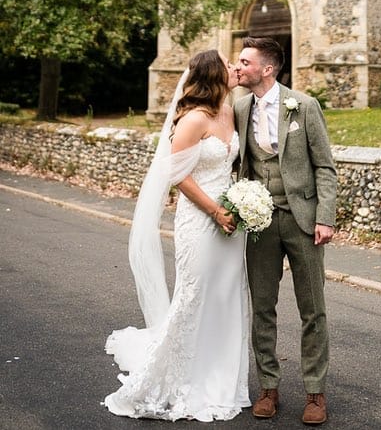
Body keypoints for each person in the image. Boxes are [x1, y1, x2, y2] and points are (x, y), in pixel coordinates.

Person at [103, 49, 250, 422]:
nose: (235, 67)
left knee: (226, 295)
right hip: (200, 219)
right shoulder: (193, 119)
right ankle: (175, 377)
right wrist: (215, 210)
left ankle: (219, 376)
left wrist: (241, 205)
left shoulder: (230, 111)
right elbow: (177, 175)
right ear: (213, 74)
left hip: (231, 220)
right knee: (194, 295)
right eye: (228, 65)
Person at [234, 36, 337, 426]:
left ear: (267, 69)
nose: (238, 66)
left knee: (313, 309)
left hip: (303, 220)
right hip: (260, 222)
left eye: (245, 61)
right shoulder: (240, 108)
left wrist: (325, 217)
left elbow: (325, 167)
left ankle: (315, 393)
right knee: (262, 307)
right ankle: (268, 387)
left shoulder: (304, 106)